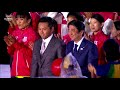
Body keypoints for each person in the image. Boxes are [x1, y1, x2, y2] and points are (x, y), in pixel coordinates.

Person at [4, 11, 39, 78]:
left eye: (21, 19)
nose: (18, 22)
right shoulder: (14, 33)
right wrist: (10, 45)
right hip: (15, 72)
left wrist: (15, 44)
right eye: (16, 19)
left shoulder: (33, 34)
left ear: (28, 21)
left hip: (27, 72)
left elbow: (31, 54)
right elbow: (11, 53)